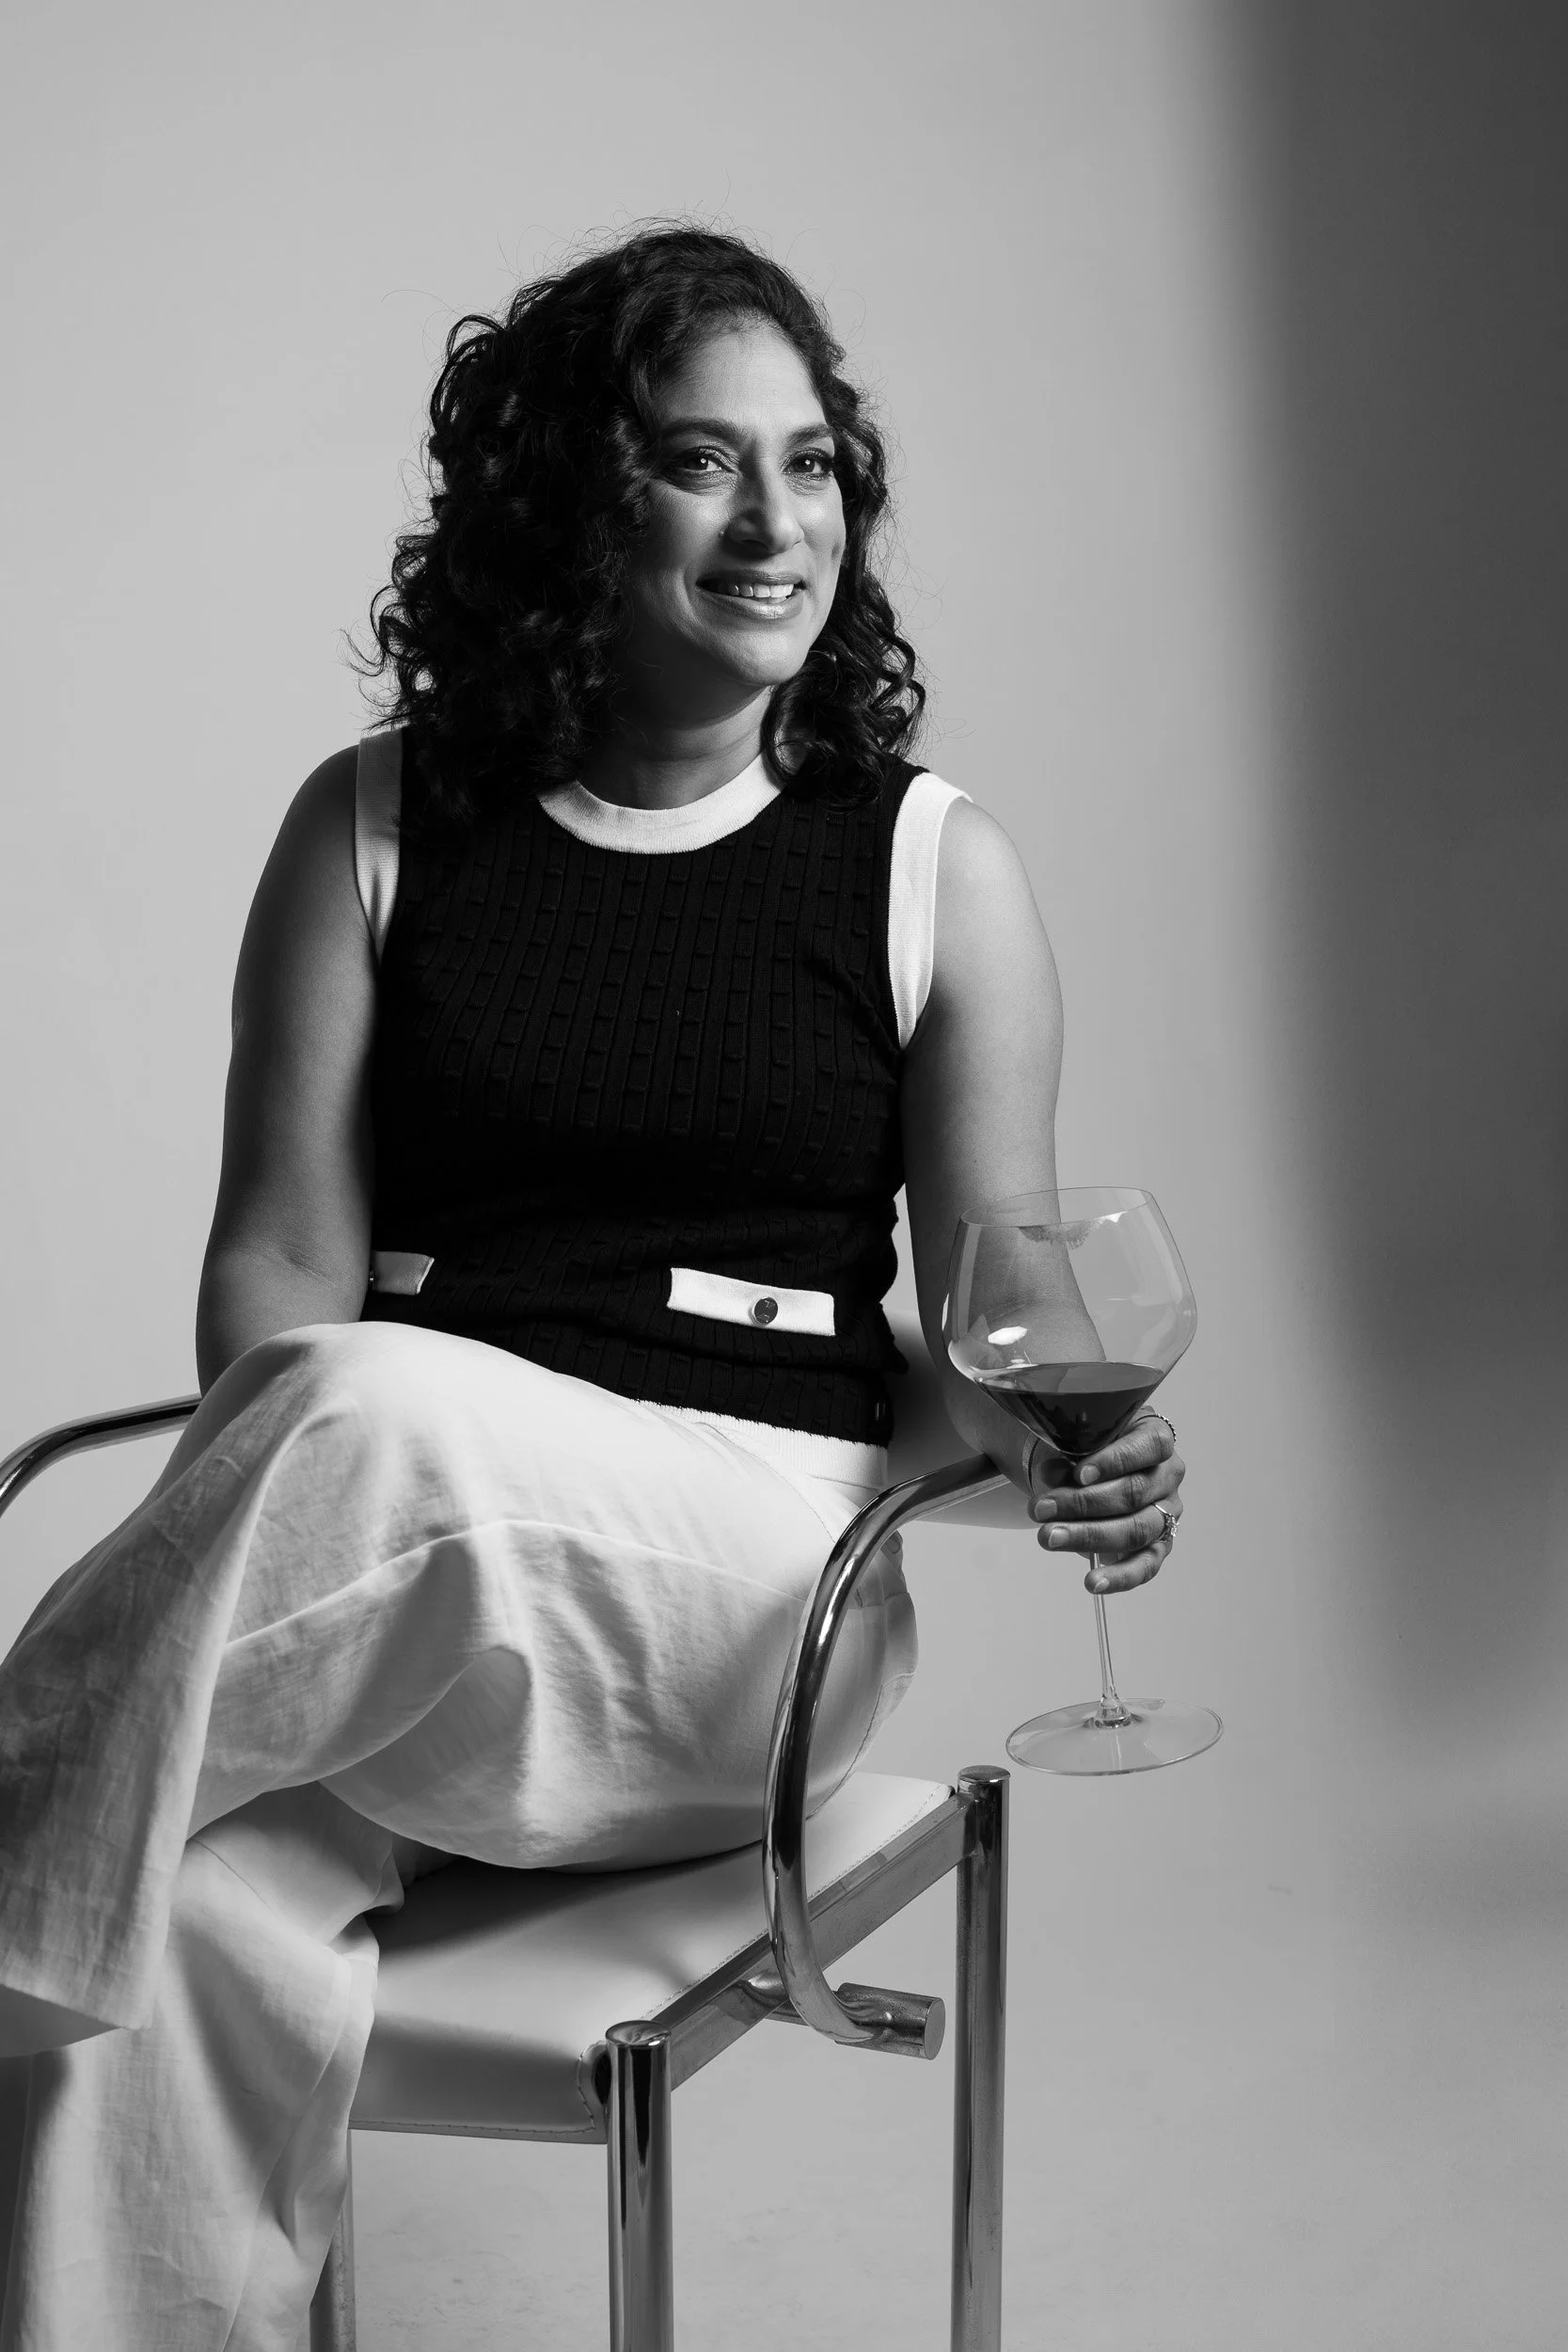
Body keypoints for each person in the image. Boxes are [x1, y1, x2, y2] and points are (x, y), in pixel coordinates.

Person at [0, 225, 1186, 2347]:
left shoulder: (926, 865)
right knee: (162, 1937)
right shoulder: (367, 824)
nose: (775, 522)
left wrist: (1066, 1450)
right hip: (415, 1613)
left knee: (366, 1402)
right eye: (699, 461)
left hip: (747, 1609)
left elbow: (989, 1324)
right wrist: (395, 1447)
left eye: (811, 463)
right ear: (569, 497)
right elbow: (271, 1264)